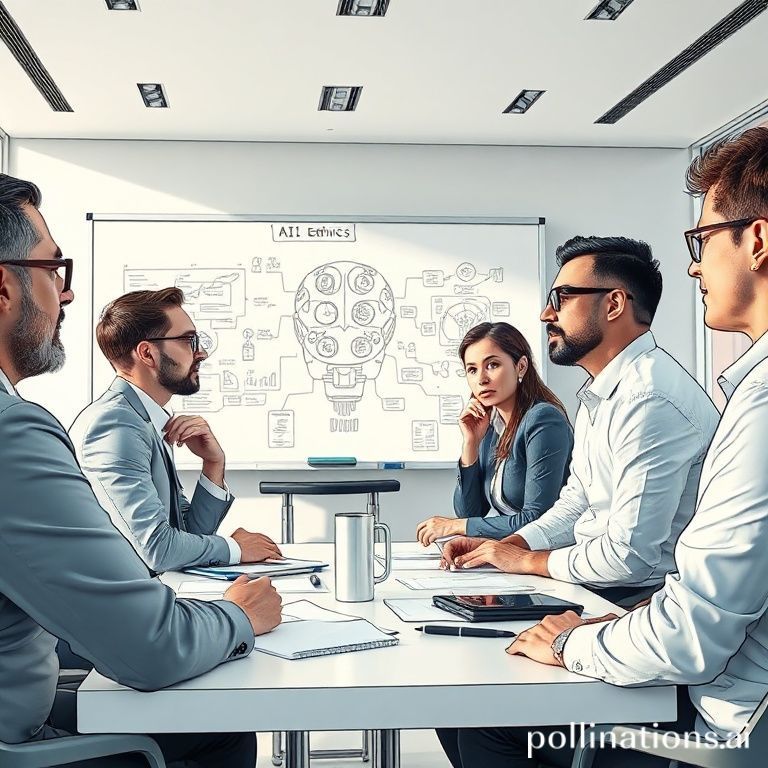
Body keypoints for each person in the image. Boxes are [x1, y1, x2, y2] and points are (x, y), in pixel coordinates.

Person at [450, 126, 768, 768]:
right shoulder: (606, 394)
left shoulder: (666, 397)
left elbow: (662, 593)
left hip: (712, 715)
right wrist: (512, 549)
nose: (693, 265)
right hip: (687, 642)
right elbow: (576, 506)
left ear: (756, 241)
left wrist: (567, 637)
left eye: (701, 240)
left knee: (481, 715)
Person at [0, 172, 281, 767]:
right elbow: (152, 615)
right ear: (3, 286)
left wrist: (212, 471)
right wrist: (239, 614)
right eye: (55, 270)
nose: (66, 294)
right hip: (20, 737)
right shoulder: (21, 431)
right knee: (222, 725)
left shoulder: (146, 424)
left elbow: (175, 529)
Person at [441, 236, 719, 608]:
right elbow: (576, 505)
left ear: (614, 304)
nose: (546, 314)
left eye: (562, 298)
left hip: (641, 599)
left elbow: (629, 558)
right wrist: (503, 547)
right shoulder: (601, 393)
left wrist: (527, 561)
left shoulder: (649, 399)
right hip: (601, 586)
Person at [70, 288, 282, 574]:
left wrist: (213, 464)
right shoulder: (116, 427)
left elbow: (185, 531)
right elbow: (157, 549)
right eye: (188, 340)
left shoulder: (143, 418)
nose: (201, 352)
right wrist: (234, 548)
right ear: (147, 353)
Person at [416, 322, 573, 544]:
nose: (481, 379)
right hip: (514, 553)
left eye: (492, 365)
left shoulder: (543, 419)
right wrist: (470, 444)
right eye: (472, 369)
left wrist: (455, 526)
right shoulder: (490, 427)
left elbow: (537, 519)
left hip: (551, 553)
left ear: (521, 366)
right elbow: (470, 513)